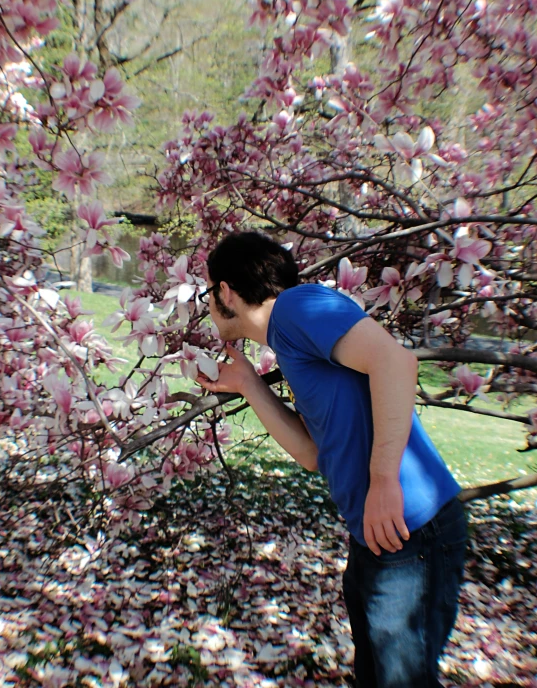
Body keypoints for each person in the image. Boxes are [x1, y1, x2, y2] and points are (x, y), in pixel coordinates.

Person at [196, 230, 467, 688]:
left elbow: (396, 363)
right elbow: (311, 454)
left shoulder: (300, 308)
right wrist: (249, 384)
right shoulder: (290, 338)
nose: (206, 306)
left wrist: (382, 479)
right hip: (378, 536)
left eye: (208, 293)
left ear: (225, 291)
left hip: (413, 529)